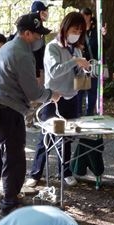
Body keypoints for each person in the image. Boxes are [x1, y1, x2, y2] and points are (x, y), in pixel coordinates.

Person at [0, 13, 60, 216]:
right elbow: (33, 92)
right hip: (8, 109)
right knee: (14, 156)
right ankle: (10, 202)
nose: (40, 39)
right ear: (26, 33)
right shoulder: (23, 54)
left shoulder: (6, 47)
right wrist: (51, 95)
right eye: (37, 35)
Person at [26, 12, 90, 188]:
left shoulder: (76, 49)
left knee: (67, 137)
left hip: (72, 97)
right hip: (53, 98)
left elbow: (74, 73)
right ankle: (35, 173)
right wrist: (75, 61)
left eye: (80, 30)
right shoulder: (52, 47)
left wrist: (83, 69)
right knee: (46, 137)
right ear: (65, 28)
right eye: (74, 29)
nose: (76, 33)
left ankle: (65, 172)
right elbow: (54, 71)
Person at [79, 6, 108, 116]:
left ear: (91, 17)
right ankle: (78, 112)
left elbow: (106, 45)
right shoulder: (78, 30)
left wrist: (104, 35)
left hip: (94, 64)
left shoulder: (97, 30)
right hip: (81, 65)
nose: (85, 17)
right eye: (83, 15)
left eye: (87, 15)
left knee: (92, 90)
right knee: (80, 90)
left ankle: (89, 113)